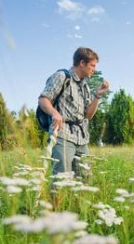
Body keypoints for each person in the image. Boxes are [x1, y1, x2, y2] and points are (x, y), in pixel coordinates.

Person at [38, 47, 109, 181]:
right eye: (92, 65)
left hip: (81, 139)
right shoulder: (61, 77)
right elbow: (43, 99)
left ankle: (78, 203)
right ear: (82, 63)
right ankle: (56, 202)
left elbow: (88, 115)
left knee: (85, 179)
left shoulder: (85, 87)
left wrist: (97, 97)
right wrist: (54, 113)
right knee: (62, 181)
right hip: (62, 136)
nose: (94, 69)